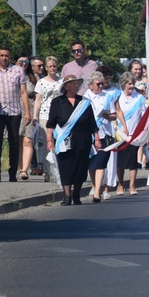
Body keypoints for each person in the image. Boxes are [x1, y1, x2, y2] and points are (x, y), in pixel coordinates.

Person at [46, 75, 100, 205]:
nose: (76, 86)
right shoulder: (57, 102)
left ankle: (76, 195)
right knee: (65, 167)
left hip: (83, 140)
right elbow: (51, 123)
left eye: (77, 83)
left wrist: (97, 139)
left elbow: (92, 123)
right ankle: (66, 196)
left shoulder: (85, 102)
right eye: (73, 83)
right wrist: (49, 140)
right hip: (64, 142)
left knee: (80, 168)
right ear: (66, 86)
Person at [0, 46, 31, 182]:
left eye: (6, 55)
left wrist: (27, 112)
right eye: (2, 55)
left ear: (9, 57)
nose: (4, 58)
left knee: (14, 141)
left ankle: (13, 171)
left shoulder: (17, 71)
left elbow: (23, 92)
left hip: (14, 111)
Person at [84, 71, 126, 202]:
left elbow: (115, 114)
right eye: (98, 84)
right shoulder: (85, 97)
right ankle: (94, 186)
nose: (101, 86)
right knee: (92, 164)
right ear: (90, 85)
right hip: (89, 134)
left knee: (101, 162)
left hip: (105, 133)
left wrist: (108, 116)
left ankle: (97, 193)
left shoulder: (108, 96)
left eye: (102, 83)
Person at [115, 72, 146, 195]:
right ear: (123, 84)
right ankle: (120, 185)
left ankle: (132, 186)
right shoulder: (117, 97)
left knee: (133, 160)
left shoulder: (139, 98)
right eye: (129, 84)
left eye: (132, 83)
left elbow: (144, 116)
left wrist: (144, 132)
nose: (131, 86)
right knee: (120, 161)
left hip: (134, 134)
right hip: (120, 133)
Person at [33, 56, 61, 183]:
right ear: (46, 67)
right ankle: (47, 171)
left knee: (58, 144)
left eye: (54, 66)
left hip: (59, 116)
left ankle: (58, 170)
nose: (52, 68)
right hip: (45, 115)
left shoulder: (61, 81)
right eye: (50, 66)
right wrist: (35, 115)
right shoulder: (41, 82)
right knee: (46, 144)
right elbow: (38, 100)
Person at [16, 53, 39, 180]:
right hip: (15, 110)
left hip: (29, 110)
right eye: (21, 62)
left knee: (28, 140)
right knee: (18, 140)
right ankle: (20, 168)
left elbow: (38, 96)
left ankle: (25, 170)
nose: (24, 64)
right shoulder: (13, 75)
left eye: (26, 62)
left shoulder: (33, 77)